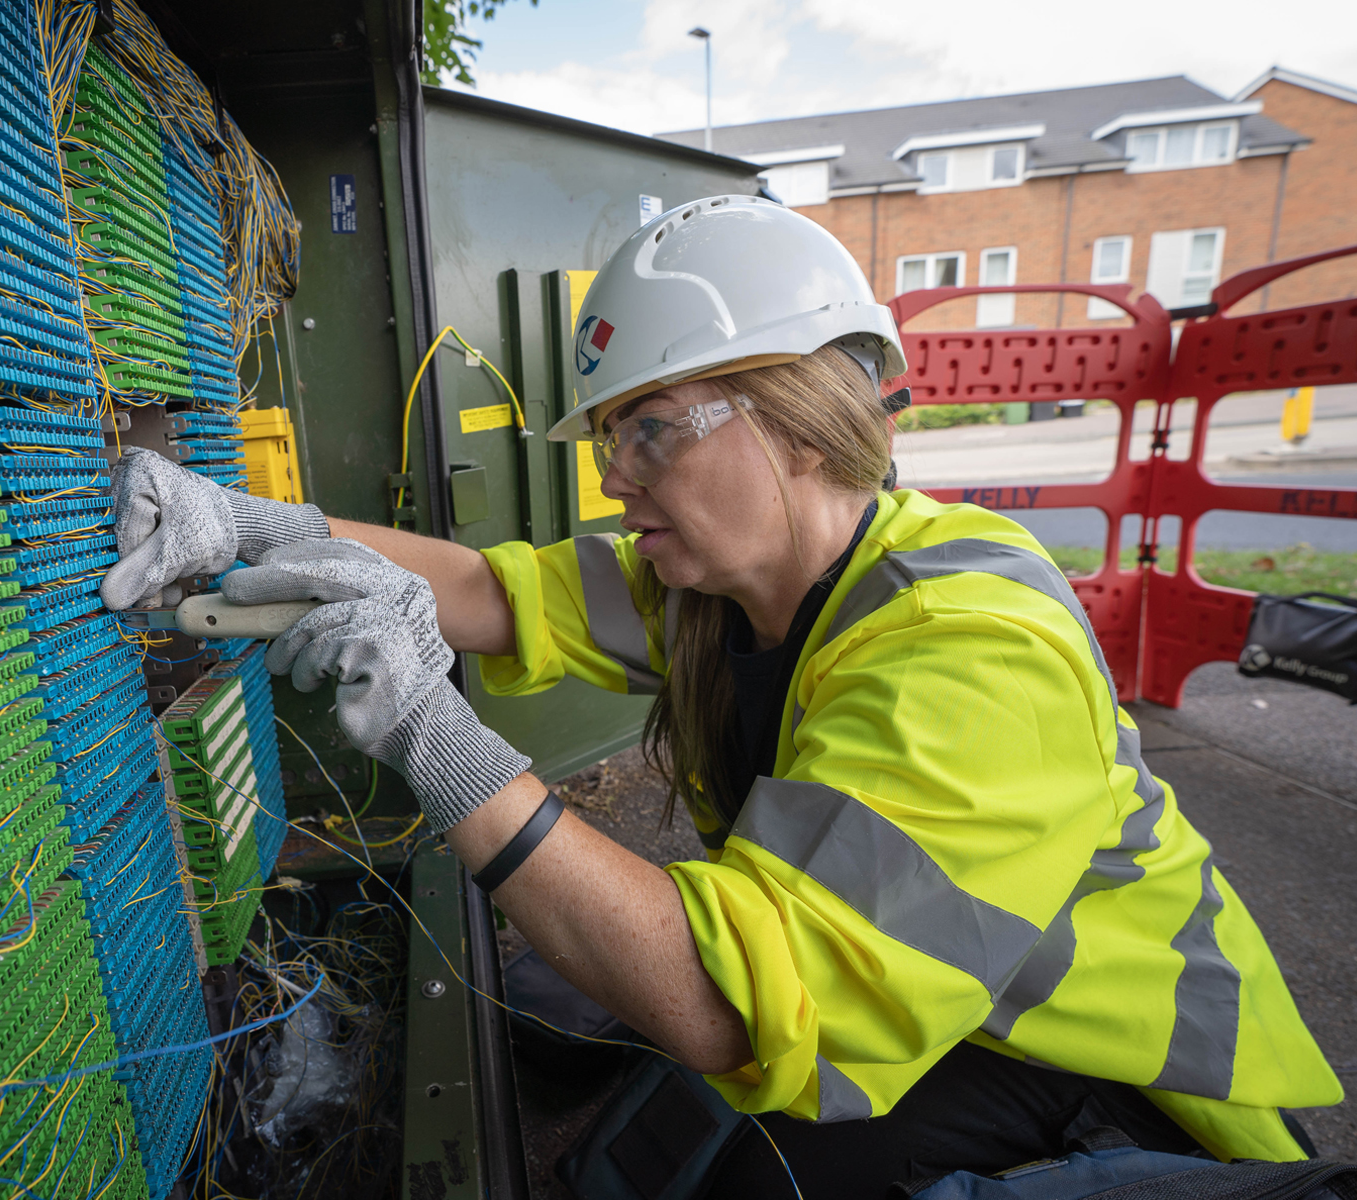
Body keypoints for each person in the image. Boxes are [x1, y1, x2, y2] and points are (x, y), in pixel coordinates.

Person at [101, 196, 1341, 1195]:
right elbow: (489, 590)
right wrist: (260, 526)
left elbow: (726, 1007)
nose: (616, 479)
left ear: (799, 420)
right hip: (944, 1008)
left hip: (1106, 1078)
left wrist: (434, 733)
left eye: (649, 430)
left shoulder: (976, 649)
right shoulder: (721, 583)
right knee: (651, 1155)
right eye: (607, 441)